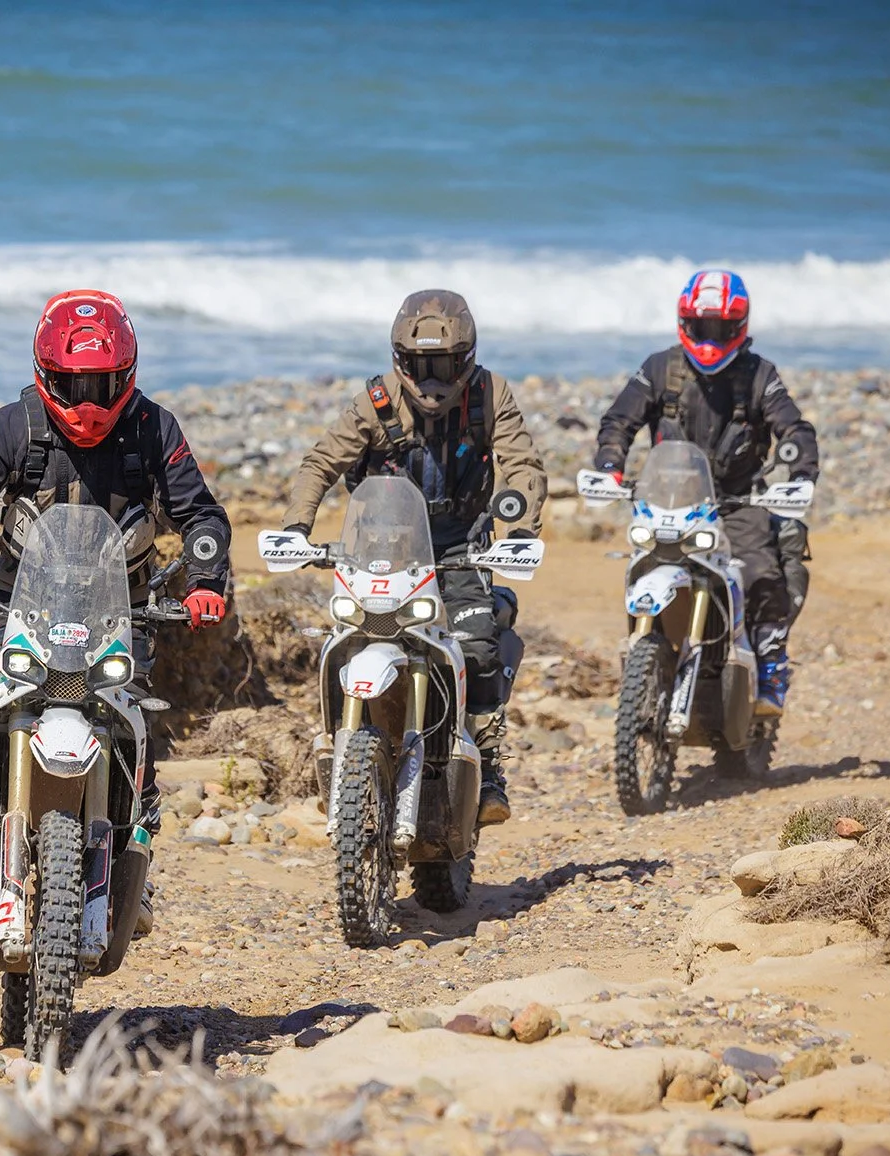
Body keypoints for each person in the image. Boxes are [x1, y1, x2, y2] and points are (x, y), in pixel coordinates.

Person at [0, 289, 231, 925]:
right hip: (17, 607)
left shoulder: (155, 429)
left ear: (126, 376)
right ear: (44, 375)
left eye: (102, 386)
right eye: (73, 385)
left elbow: (201, 515)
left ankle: (133, 862)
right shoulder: (16, 426)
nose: (88, 403)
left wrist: (205, 583)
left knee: (133, 725)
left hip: (120, 613)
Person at [282, 289, 546, 824]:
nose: (430, 380)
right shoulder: (375, 401)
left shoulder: (490, 395)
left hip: (461, 545)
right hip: (382, 548)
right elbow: (320, 463)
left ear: (465, 359)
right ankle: (343, 756)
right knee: (344, 641)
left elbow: (524, 466)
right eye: (420, 365)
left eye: (442, 365)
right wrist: (295, 528)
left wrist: (520, 531)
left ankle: (488, 766)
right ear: (400, 359)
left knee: (478, 646)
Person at [593, 270, 819, 712]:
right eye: (702, 326)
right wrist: (609, 466)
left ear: (740, 326)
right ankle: (645, 656)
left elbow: (794, 428)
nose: (711, 338)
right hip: (669, 499)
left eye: (722, 327)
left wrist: (801, 474)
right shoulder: (660, 368)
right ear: (685, 323)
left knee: (760, 571)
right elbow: (619, 421)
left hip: (738, 502)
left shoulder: (759, 374)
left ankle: (771, 665)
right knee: (640, 565)